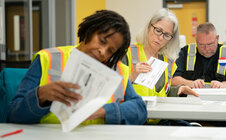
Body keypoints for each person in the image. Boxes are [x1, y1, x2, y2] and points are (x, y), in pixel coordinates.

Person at [7, 10, 147, 125]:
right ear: (89, 31)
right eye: (102, 41)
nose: (103, 51)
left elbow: (139, 109)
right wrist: (40, 95)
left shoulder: (117, 70)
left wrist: (102, 111)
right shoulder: (48, 58)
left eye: (110, 50)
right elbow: (13, 114)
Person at [121, 8, 198, 98]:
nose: (161, 38)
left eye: (166, 35)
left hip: (158, 112)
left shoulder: (168, 62)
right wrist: (132, 77)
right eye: (158, 30)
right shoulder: (127, 53)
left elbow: (164, 93)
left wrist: (179, 90)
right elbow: (114, 91)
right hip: (133, 111)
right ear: (149, 27)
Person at [172, 22, 226, 89]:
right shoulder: (185, 52)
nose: (206, 49)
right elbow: (173, 79)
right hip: (191, 99)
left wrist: (223, 85)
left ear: (217, 38)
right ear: (196, 40)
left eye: (210, 44)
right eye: (201, 45)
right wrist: (191, 83)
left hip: (220, 100)